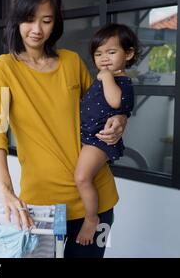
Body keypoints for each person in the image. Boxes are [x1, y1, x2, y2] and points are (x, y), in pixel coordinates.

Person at [0, 0, 127, 258]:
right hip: (42, 204)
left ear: (55, 22)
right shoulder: (4, 67)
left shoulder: (72, 62)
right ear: (17, 20)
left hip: (96, 200)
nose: (36, 29)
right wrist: (6, 190)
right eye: (28, 19)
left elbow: (105, 109)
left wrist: (120, 120)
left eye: (46, 20)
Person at [75, 24, 138, 246]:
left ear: (128, 54)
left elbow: (115, 102)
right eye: (98, 54)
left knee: (82, 177)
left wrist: (107, 77)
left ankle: (91, 218)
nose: (104, 59)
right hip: (89, 137)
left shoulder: (121, 81)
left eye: (111, 52)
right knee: (83, 177)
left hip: (99, 140)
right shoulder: (103, 78)